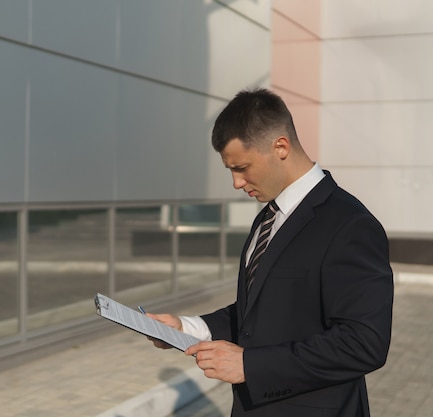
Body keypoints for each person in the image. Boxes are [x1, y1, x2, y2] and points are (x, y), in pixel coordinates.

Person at [148, 88, 394, 417]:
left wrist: (249, 364)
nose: (236, 183)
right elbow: (261, 311)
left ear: (280, 146)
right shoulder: (268, 216)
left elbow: (363, 343)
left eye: (242, 167)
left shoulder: (350, 224)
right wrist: (186, 328)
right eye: (230, 170)